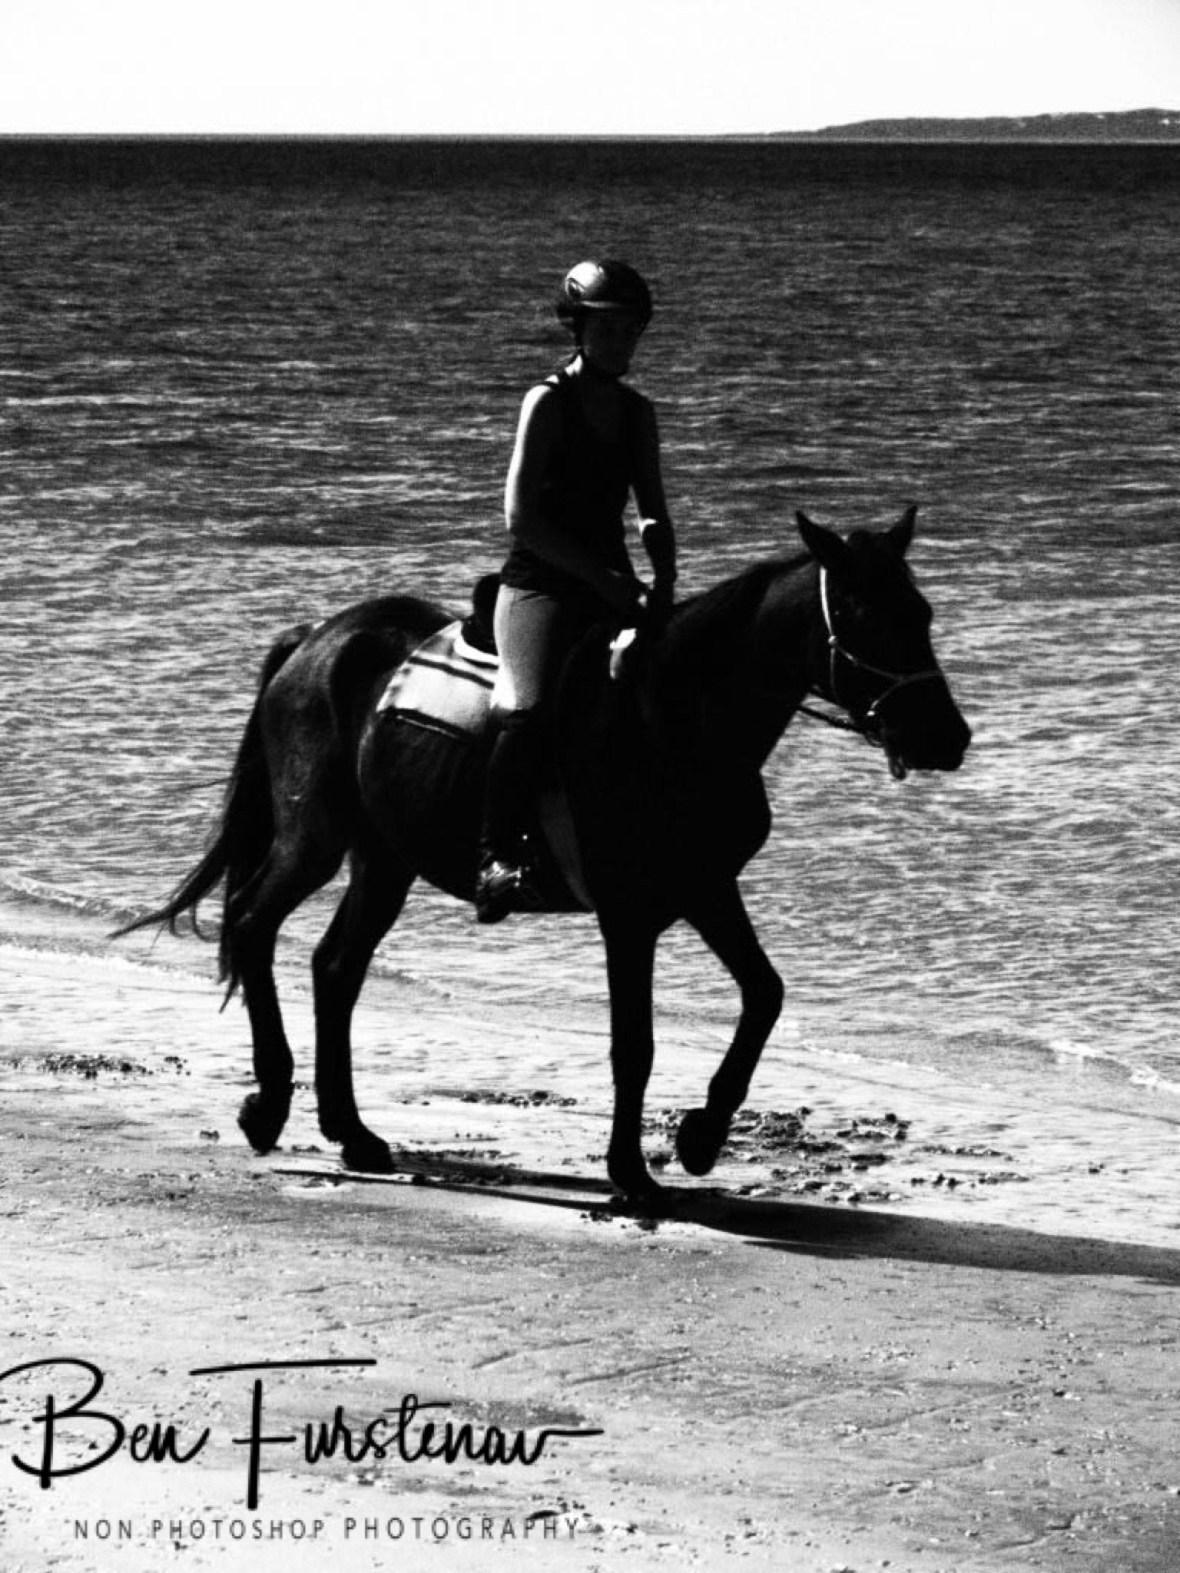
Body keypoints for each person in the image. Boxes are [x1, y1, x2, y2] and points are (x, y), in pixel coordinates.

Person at [476, 259, 678, 923]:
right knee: (530, 708)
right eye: (608, 326)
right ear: (579, 328)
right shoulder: (548, 403)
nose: (621, 340)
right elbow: (520, 518)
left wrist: (663, 568)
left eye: (631, 329)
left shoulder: (636, 412)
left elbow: (650, 505)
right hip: (539, 583)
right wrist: (605, 579)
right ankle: (496, 856)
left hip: (613, 586)